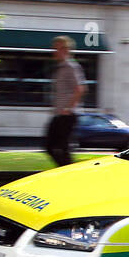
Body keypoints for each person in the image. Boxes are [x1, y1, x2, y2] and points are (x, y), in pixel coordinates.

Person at [45, 35, 85, 167]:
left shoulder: (71, 66)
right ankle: (65, 172)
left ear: (65, 50)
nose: (54, 51)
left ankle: (69, 176)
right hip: (58, 114)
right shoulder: (60, 68)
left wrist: (69, 108)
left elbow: (80, 88)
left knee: (62, 148)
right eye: (54, 48)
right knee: (51, 147)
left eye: (57, 48)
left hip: (67, 116)